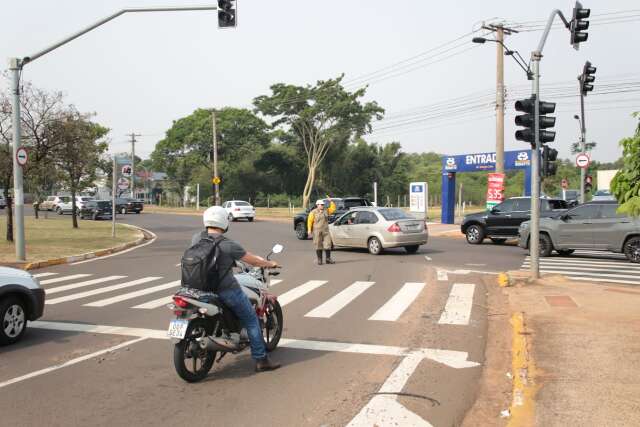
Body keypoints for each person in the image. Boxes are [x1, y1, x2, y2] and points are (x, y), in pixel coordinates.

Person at [191, 206, 281, 373]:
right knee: (252, 320)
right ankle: (261, 360)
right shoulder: (227, 244)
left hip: (197, 288)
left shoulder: (197, 238)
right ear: (224, 222)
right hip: (225, 290)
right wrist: (270, 263)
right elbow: (252, 261)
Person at [307, 198, 336, 265]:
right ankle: (319, 260)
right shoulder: (313, 212)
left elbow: (333, 208)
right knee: (318, 245)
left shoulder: (326, 210)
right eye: (321, 204)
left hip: (325, 230)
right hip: (317, 231)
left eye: (323, 204)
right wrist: (309, 230)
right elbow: (310, 221)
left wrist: (331, 201)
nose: (322, 206)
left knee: (328, 244)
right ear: (317, 205)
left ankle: (328, 259)